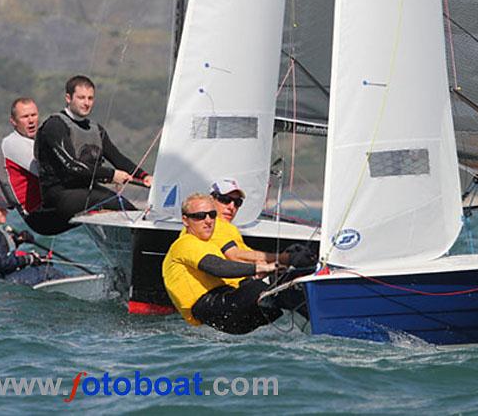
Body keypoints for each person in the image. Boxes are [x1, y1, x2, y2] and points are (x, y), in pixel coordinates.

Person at [33, 75, 152, 235]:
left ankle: (145, 240)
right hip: (59, 195)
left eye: (90, 98)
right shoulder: (55, 126)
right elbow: (71, 166)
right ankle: (139, 240)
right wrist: (111, 175)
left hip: (88, 192)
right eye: (81, 98)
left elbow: (117, 158)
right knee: (114, 202)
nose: (86, 103)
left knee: (128, 208)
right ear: (68, 98)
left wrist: (143, 176)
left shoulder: (96, 129)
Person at [162, 193, 282, 334]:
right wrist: (259, 268)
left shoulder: (209, 245)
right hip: (209, 307)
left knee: (281, 286)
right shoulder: (184, 244)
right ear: (186, 220)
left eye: (212, 215)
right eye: (200, 216)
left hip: (229, 309)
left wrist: (262, 274)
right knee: (261, 288)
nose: (208, 221)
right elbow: (218, 267)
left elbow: (231, 272)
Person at [205, 178, 316, 269]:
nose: (231, 207)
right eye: (225, 200)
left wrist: (269, 263)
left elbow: (245, 255)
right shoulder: (214, 225)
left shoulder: (230, 228)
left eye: (237, 202)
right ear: (211, 200)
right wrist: (284, 258)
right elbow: (234, 255)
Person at [0, 97, 42, 217]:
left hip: (48, 206)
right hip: (36, 214)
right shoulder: (12, 143)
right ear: (13, 121)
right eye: (25, 117)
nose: (31, 120)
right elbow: (47, 172)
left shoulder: (37, 140)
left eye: (33, 115)